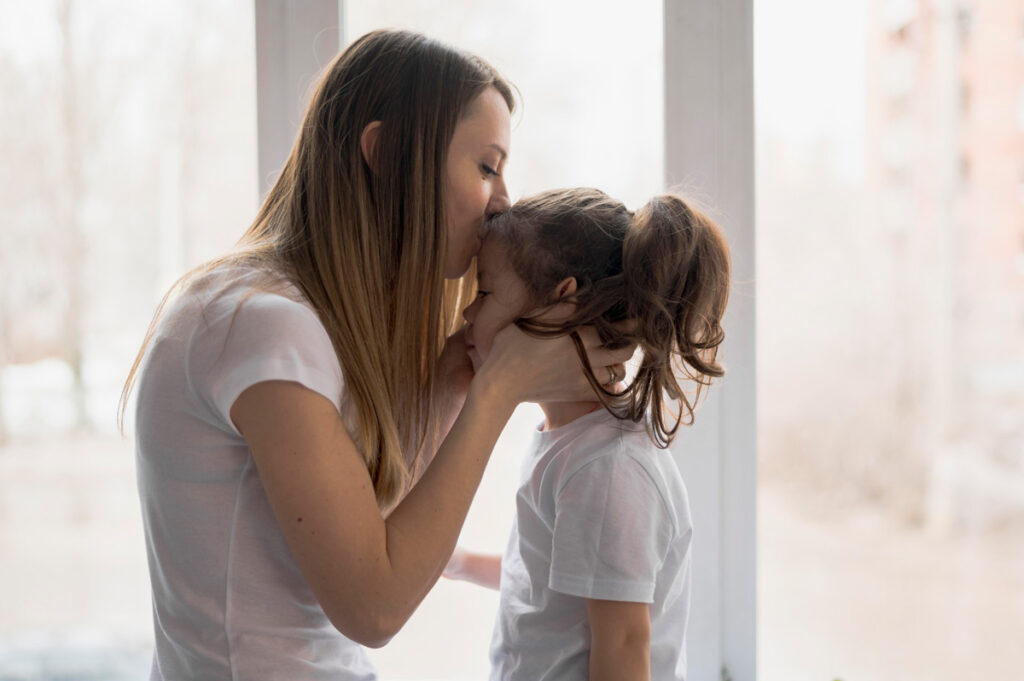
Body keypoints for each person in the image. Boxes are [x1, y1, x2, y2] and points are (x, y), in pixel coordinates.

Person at [120, 32, 634, 680]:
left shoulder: (277, 310)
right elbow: (374, 604)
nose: (503, 199)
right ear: (386, 153)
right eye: (486, 165)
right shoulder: (260, 326)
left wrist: (453, 379)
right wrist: (498, 389)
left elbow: (371, 516)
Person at [444, 188, 731, 681]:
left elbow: (623, 644)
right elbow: (552, 586)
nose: (468, 315)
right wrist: (461, 563)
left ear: (562, 302)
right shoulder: (571, 441)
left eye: (485, 293)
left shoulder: (608, 468)